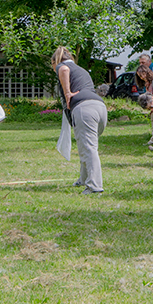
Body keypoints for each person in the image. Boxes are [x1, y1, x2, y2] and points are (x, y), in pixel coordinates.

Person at [52, 47, 108, 194]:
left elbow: (63, 70)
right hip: (100, 107)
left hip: (84, 109)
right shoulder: (80, 69)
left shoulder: (62, 65)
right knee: (86, 144)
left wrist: (67, 93)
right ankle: (83, 179)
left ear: (54, 62)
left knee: (89, 147)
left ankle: (94, 186)